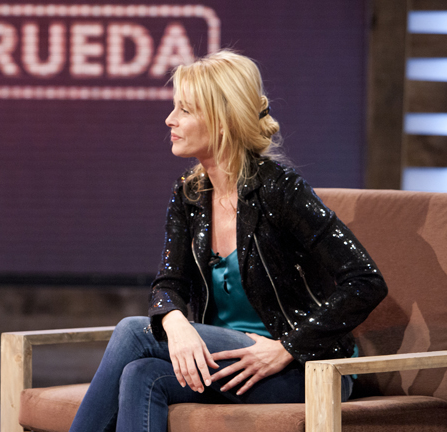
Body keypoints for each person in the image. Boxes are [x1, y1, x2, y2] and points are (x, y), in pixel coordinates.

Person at [68, 50, 388, 432]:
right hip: (228, 361)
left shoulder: (281, 190)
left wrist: (287, 346)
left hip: (300, 368)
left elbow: (366, 281)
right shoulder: (189, 194)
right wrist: (175, 322)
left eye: (185, 110)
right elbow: (169, 282)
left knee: (131, 334)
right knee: (141, 374)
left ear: (221, 122)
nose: (170, 119)